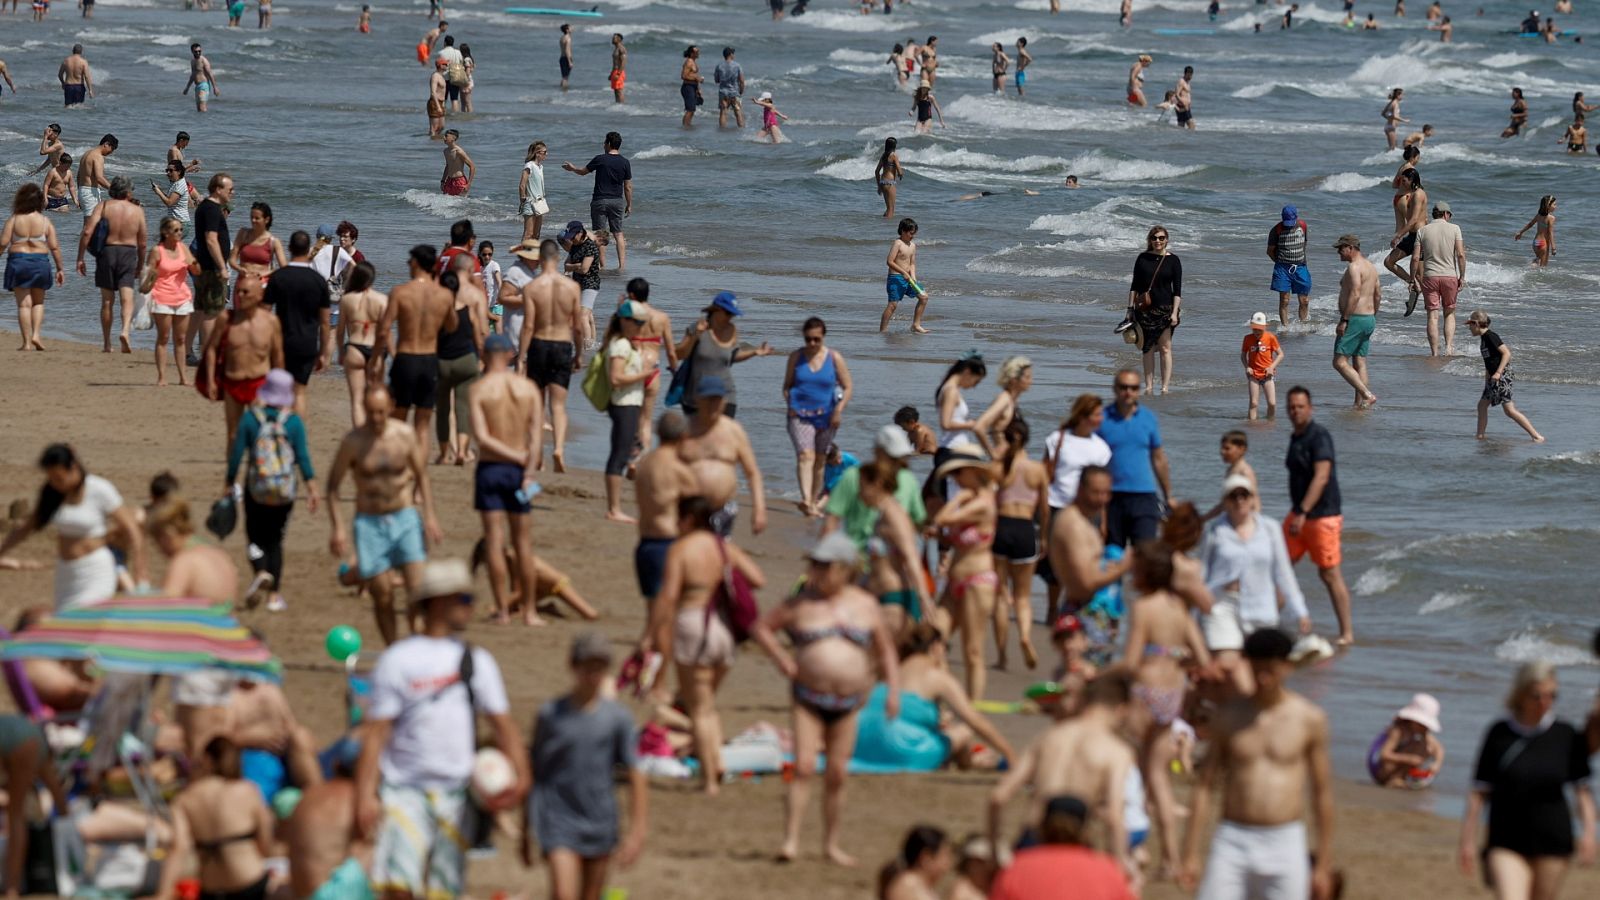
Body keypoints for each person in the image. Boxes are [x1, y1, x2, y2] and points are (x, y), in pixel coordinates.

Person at [355, 559, 530, 900]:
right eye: (464, 599)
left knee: (444, 892)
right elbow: (377, 733)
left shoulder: (477, 660)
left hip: (457, 793)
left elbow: (503, 725)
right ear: (437, 602)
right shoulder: (399, 660)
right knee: (398, 889)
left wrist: (522, 778)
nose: (471, 607)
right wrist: (365, 795)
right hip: (404, 789)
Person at [751, 532, 900, 865]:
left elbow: (886, 650)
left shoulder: (865, 604)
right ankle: (790, 841)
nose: (816, 572)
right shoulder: (800, 603)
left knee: (837, 773)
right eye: (814, 565)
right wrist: (782, 660)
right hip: (808, 697)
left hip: (849, 702)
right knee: (804, 767)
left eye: (824, 566)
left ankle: (831, 845)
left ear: (845, 568)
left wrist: (892, 691)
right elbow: (761, 628)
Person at [1180, 629, 1334, 899]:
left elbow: (1322, 792)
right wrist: (1190, 853)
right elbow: (1204, 786)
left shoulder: (1309, 719)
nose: (1263, 679)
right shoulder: (1229, 717)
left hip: (1285, 839)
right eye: (1257, 670)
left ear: (1287, 666)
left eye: (1270, 671)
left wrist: (1323, 863)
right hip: (1233, 838)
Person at [640, 496, 765, 794]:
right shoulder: (724, 547)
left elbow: (668, 596)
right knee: (707, 705)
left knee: (698, 708)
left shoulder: (681, 549)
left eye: (678, 518)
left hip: (694, 626)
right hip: (724, 631)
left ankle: (709, 781)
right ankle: (717, 763)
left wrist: (649, 636)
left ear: (688, 519)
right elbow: (757, 579)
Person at [523, 633, 649, 900]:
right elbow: (536, 771)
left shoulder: (618, 718)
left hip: (600, 821)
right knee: (563, 894)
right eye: (587, 666)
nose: (593, 674)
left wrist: (637, 831)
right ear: (573, 666)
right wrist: (526, 827)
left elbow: (636, 773)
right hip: (557, 820)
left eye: (600, 667)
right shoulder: (551, 715)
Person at [1459, 661, 1595, 899]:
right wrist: (1467, 840)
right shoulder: (1499, 733)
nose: (1545, 702)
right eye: (1537, 696)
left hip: (1553, 842)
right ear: (1520, 694)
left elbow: (1582, 791)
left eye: (1552, 695)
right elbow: (1479, 792)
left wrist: (1589, 834)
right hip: (1505, 840)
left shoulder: (1565, 734)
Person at [326, 385, 445, 645]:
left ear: (391, 407)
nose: (376, 418)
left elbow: (422, 475)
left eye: (381, 412)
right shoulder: (353, 442)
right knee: (382, 595)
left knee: (417, 591)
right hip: (370, 524)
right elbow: (333, 486)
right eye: (371, 413)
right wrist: (338, 527)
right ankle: (393, 648)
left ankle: (417, 641)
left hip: (404, 517)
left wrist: (430, 516)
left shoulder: (405, 435)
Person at [1124, 541, 1212, 878]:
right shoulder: (1179, 609)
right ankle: (1170, 858)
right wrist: (1173, 658)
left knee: (1134, 770)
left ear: (1145, 574)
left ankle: (1136, 848)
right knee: (1158, 775)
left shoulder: (1143, 607)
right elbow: (1202, 659)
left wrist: (1098, 679)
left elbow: (1131, 661)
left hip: (1145, 691)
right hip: (1172, 694)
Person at [988, 671, 1137, 868]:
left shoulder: (1049, 737)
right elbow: (1115, 818)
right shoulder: (1116, 751)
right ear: (1122, 710)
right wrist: (1120, 865)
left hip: (1032, 840)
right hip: (1073, 845)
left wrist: (995, 853)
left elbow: (998, 797)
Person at [471, 333, 563, 625]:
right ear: (510, 354)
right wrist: (528, 469)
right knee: (523, 543)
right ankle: (530, 611)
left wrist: (514, 457)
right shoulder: (528, 389)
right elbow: (536, 436)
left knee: (495, 541)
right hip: (521, 473)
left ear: (484, 356)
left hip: (491, 468)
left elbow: (482, 438)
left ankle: (502, 610)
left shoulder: (479, 389)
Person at [1199, 473, 1308, 693]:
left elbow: (1283, 573)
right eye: (1233, 496)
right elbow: (1202, 575)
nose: (1239, 500)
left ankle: (1251, 710)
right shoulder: (1215, 531)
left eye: (1244, 495)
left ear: (1252, 499)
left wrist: (1300, 611)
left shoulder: (1270, 528)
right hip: (1222, 605)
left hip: (1261, 606)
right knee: (1229, 667)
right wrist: (1193, 616)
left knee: (1262, 673)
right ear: (1225, 501)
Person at [0, 445, 146, 609]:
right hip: (66, 572)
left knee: (88, 617)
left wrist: (140, 573)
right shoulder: (52, 493)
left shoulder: (99, 489)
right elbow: (25, 528)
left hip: (96, 570)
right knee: (64, 619)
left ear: (73, 468)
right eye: (51, 478)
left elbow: (131, 528)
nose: (55, 483)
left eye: (59, 478)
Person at [855, 623, 1013, 773]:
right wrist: (1010, 754)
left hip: (863, 748)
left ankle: (968, 761)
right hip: (903, 752)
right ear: (935, 647)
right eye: (946, 648)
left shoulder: (890, 672)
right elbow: (975, 721)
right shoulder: (935, 676)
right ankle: (972, 763)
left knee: (940, 730)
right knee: (965, 731)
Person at [227, 369, 319, 612]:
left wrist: (229, 482)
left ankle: (260, 570)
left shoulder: (251, 419)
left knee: (254, 535)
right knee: (276, 540)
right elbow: (302, 457)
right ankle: (274, 597)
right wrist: (311, 486)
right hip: (284, 491)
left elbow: (237, 455)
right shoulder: (294, 422)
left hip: (256, 488)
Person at [370, 244, 459, 461]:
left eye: (409, 262)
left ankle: (397, 466)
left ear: (417, 263)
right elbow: (452, 326)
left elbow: (383, 330)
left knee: (398, 419)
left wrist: (377, 358)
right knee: (422, 425)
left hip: (406, 358)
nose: (408, 265)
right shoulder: (444, 295)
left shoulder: (400, 292)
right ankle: (419, 477)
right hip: (429, 361)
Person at [155, 737, 273, 900]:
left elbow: (179, 848)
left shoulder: (184, 799)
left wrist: (163, 893)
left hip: (212, 889)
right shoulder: (248, 790)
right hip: (249, 880)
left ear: (206, 760)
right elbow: (265, 845)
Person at [1283, 386, 1354, 646]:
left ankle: (1346, 634)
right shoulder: (1296, 437)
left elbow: (1322, 477)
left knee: (1329, 574)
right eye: (1292, 407)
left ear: (1310, 408)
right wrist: (1299, 512)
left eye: (1300, 407)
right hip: (1298, 514)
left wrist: (1303, 511)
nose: (1296, 411)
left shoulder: (1319, 437)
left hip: (1322, 516)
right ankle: (1264, 627)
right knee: (1279, 568)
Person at [930, 450, 1000, 702]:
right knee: (933, 639)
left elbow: (942, 518)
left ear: (974, 472)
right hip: (954, 581)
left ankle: (972, 708)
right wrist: (938, 535)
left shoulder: (982, 503)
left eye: (958, 473)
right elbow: (951, 535)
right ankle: (945, 702)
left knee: (972, 651)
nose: (955, 479)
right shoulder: (970, 501)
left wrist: (958, 499)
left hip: (977, 582)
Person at [1039, 395, 1112, 623]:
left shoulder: (1101, 448)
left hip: (1088, 513)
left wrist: (1103, 520)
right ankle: (1053, 608)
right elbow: (1043, 476)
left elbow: (1102, 487)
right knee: (1055, 564)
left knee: (1085, 562)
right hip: (1058, 506)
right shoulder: (1058, 439)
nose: (1101, 419)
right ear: (1082, 416)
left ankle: (1075, 609)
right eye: (1097, 414)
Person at [1047, 465, 1130, 664]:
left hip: (1090, 612)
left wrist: (1109, 568)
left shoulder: (1083, 522)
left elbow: (1089, 571)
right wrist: (1125, 566)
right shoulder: (1073, 524)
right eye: (1096, 492)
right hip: (1083, 613)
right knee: (1084, 674)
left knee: (1087, 675)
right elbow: (1085, 583)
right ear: (1080, 489)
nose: (1102, 499)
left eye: (1106, 493)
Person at [518, 239, 582, 469]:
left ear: (540, 259)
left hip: (539, 345)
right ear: (557, 258)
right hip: (562, 345)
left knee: (537, 405)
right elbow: (577, 326)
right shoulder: (572, 287)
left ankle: (537, 455)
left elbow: (528, 326)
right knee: (558, 405)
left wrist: (521, 357)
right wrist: (579, 354)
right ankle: (558, 449)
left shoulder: (532, 288)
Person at [203, 278, 284, 459]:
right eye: (238, 291)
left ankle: (258, 469)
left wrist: (279, 389)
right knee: (233, 433)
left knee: (261, 432)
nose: (240, 295)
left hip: (260, 385)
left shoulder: (271, 322)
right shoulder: (227, 319)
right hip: (233, 382)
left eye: (245, 292)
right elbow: (212, 349)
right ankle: (232, 472)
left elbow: (278, 357)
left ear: (259, 295)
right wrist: (210, 380)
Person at [990, 418, 1047, 671]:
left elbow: (988, 502)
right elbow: (1044, 510)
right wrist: (1043, 537)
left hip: (1002, 528)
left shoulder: (998, 467)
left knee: (1001, 596)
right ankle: (1024, 636)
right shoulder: (1037, 469)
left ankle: (1002, 656)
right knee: (1022, 597)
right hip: (1025, 530)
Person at [783, 317, 852, 517]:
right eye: (808, 339)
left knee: (820, 460)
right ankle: (806, 499)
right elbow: (787, 386)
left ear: (823, 337)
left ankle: (813, 502)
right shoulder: (796, 357)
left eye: (816, 339)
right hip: (799, 415)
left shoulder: (834, 358)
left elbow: (848, 387)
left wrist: (838, 410)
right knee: (805, 455)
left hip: (827, 416)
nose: (812, 343)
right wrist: (790, 404)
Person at [263, 230, 333, 418]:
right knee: (299, 391)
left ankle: (277, 426)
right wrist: (323, 352)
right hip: (307, 343)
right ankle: (296, 428)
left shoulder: (279, 277)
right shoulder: (318, 281)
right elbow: (325, 322)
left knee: (278, 388)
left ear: (290, 248)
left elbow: (264, 313)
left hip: (281, 342)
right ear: (308, 248)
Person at [1098, 369, 1169, 549]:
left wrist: (1168, 496)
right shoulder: (1101, 419)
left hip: (1144, 496)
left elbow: (1159, 459)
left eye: (1133, 388)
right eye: (1123, 387)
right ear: (1115, 388)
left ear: (1138, 390)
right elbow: (1092, 462)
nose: (1128, 392)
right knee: (1113, 555)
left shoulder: (1148, 418)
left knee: (1145, 555)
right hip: (1110, 498)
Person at [77, 176, 146, 355]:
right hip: (128, 253)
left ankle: (107, 343)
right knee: (126, 298)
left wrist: (80, 258)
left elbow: (87, 232)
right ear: (128, 192)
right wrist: (140, 265)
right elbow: (143, 243)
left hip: (107, 253)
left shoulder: (104, 206)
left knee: (107, 301)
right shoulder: (137, 210)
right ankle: (125, 331)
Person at [676, 290, 772, 418]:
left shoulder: (732, 330)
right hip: (697, 395)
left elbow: (732, 356)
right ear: (716, 310)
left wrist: (754, 352)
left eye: (733, 314)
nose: (730, 317)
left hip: (726, 394)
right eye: (728, 313)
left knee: (725, 430)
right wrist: (695, 336)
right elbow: (679, 354)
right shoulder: (697, 327)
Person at [434, 258, 488, 465]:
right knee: (463, 405)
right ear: (470, 269)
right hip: (467, 354)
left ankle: (450, 449)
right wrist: (483, 358)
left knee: (444, 408)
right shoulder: (475, 295)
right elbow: (482, 330)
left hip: (443, 356)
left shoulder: (440, 295)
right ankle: (463, 451)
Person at [3, 183, 65, 352]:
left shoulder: (15, 219)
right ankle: (36, 335)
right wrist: (60, 269)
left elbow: (3, 243)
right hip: (40, 262)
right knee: (38, 303)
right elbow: (54, 247)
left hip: (18, 261)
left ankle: (26, 343)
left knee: (24, 305)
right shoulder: (45, 221)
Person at [1468, 309, 1544, 442]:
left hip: (1502, 376)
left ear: (1477, 324)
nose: (1469, 328)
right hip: (1493, 378)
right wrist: (1487, 381)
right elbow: (1489, 362)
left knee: (1509, 410)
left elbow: (1507, 353)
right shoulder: (1484, 339)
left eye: (1470, 324)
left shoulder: (1491, 336)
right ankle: (1480, 436)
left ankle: (1536, 436)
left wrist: (1498, 373)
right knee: (1482, 406)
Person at [563, 132, 632, 272]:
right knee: (618, 233)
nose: (603, 145)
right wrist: (629, 204)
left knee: (600, 234)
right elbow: (628, 186)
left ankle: (602, 266)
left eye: (604, 142)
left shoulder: (600, 159)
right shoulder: (625, 162)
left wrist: (572, 168)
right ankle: (622, 266)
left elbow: (583, 172)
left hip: (600, 200)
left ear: (609, 144)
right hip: (617, 201)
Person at [1126, 226, 1183, 394]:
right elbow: (1134, 286)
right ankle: (1149, 387)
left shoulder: (1174, 260)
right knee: (1147, 349)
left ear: (1167, 240)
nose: (1158, 241)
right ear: (1150, 240)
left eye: (1161, 238)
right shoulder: (1142, 258)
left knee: (1165, 348)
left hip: (1165, 310)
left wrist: (1174, 313)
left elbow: (1177, 291)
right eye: (1154, 238)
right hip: (1144, 311)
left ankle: (1165, 387)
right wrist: (1129, 309)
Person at [145, 216, 199, 386]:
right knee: (164, 337)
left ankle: (183, 377)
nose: (180, 233)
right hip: (161, 297)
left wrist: (195, 262)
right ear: (165, 232)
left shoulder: (183, 248)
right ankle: (162, 376)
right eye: (176, 230)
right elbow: (148, 276)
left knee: (181, 339)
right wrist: (147, 292)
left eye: (181, 230)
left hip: (182, 297)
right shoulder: (157, 251)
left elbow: (196, 271)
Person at [1331, 234, 1382, 408]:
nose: (1338, 252)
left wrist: (1344, 320)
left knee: (1339, 362)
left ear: (1350, 248)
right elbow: (1378, 294)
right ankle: (1359, 404)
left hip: (1355, 319)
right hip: (1368, 318)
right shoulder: (1371, 267)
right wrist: (1373, 315)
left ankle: (1367, 395)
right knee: (1359, 362)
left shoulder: (1354, 267)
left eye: (1341, 248)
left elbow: (1355, 293)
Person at [190, 172, 235, 365]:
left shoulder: (208, 208)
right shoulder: (211, 210)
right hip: (211, 268)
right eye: (230, 189)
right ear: (218, 189)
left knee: (200, 309)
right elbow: (210, 239)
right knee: (211, 312)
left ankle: (186, 348)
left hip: (205, 266)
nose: (232, 192)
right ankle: (208, 355)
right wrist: (222, 267)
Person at [1412, 200, 1466, 356]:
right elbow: (1460, 255)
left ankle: (1434, 353)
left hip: (1430, 277)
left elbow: (1415, 258)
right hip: (1449, 276)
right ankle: (1448, 348)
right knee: (1449, 312)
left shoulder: (1422, 230)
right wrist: (1462, 276)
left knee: (1432, 316)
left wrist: (1412, 279)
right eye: (1450, 215)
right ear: (1446, 214)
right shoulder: (1455, 229)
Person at [338, 262, 388, 427]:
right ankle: (374, 431)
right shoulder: (382, 300)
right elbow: (385, 331)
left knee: (357, 399)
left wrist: (341, 352)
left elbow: (340, 332)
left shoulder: (347, 299)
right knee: (376, 395)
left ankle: (360, 433)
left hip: (355, 348)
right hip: (376, 349)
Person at [1372, 693, 1445, 788]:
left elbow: (1438, 748)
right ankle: (1395, 780)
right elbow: (1384, 754)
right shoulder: (1398, 731)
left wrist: (1437, 764)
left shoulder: (1422, 733)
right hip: (1384, 771)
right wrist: (1408, 759)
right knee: (1416, 746)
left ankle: (1404, 778)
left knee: (1428, 746)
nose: (1425, 728)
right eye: (1422, 725)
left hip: (1403, 769)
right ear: (1413, 720)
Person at [972, 355, 1031, 460]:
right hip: (1004, 461)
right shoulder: (1004, 400)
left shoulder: (1012, 401)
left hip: (1014, 461)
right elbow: (979, 427)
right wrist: (993, 454)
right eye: (1027, 377)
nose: (1031, 381)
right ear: (1014, 379)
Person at [228, 201, 286, 307]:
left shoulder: (273, 241)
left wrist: (267, 273)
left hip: (262, 283)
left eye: (257, 218)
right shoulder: (243, 234)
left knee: (260, 316)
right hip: (243, 281)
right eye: (251, 217)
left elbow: (284, 268)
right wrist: (240, 269)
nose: (253, 221)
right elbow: (232, 260)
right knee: (239, 315)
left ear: (266, 219)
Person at [881, 218, 930, 334]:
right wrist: (903, 272)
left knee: (924, 297)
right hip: (896, 278)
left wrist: (913, 276)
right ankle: (883, 331)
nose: (912, 236)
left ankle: (916, 325)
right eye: (910, 233)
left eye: (914, 233)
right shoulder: (898, 243)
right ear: (903, 231)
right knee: (893, 305)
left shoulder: (913, 245)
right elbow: (889, 261)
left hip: (909, 279)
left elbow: (912, 263)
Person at [558, 220, 601, 345]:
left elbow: (584, 269)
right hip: (577, 284)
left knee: (582, 316)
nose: (571, 239)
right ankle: (593, 343)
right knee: (588, 316)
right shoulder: (574, 247)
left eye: (573, 236)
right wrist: (577, 265)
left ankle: (586, 346)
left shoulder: (590, 246)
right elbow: (566, 265)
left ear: (580, 233)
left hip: (590, 284)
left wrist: (574, 266)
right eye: (570, 237)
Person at [879, 826, 951, 900]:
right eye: (945, 855)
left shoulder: (916, 885)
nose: (948, 863)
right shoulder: (909, 885)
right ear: (926, 858)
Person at [1267, 205, 1310, 325]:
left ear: (1296, 217)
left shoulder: (1303, 226)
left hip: (1300, 267)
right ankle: (1285, 328)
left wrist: (1298, 257)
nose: (1288, 224)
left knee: (1304, 300)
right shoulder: (1276, 230)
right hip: (1282, 268)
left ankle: (1303, 326)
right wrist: (1280, 262)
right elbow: (1270, 251)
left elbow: (1304, 243)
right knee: (1284, 300)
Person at [1240, 312, 1283, 420]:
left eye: (1260, 329)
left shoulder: (1270, 337)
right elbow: (1243, 355)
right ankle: (1252, 423)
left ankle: (1270, 422)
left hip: (1267, 375)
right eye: (1255, 329)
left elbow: (1280, 354)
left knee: (1272, 403)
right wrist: (1247, 367)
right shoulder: (1247, 339)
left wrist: (1271, 367)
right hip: (1253, 375)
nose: (1257, 332)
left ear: (1265, 327)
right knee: (1254, 403)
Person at [150, 159, 200, 236]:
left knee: (162, 241)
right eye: (167, 170)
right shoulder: (175, 182)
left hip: (181, 224)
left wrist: (159, 192)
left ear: (178, 172)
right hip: (176, 223)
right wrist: (160, 191)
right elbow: (170, 200)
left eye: (170, 171)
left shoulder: (179, 185)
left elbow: (169, 203)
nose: (168, 173)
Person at [1513, 194, 1556, 267]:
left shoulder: (1539, 215)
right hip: (1543, 243)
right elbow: (1550, 232)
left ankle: (1532, 265)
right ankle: (1530, 268)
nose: (1556, 206)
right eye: (1554, 204)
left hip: (1536, 242)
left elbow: (1530, 224)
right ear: (1548, 206)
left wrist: (1520, 232)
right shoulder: (1551, 218)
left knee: (1538, 259)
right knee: (1543, 266)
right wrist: (1553, 247)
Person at [518, 141, 548, 242]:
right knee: (528, 234)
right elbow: (522, 184)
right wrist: (523, 199)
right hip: (530, 202)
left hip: (539, 202)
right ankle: (522, 252)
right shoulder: (529, 165)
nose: (546, 154)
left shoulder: (540, 167)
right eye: (544, 152)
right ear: (537, 153)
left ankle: (533, 252)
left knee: (536, 234)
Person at [184, 43, 218, 113]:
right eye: (196, 51)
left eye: (199, 51)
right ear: (192, 51)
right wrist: (187, 87)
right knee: (199, 110)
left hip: (204, 86)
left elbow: (210, 74)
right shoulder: (193, 61)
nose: (198, 53)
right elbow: (193, 75)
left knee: (202, 108)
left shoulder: (203, 61)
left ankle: (207, 120)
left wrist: (215, 87)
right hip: (197, 87)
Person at [439, 129, 474, 196]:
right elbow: (448, 166)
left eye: (446, 136)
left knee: (460, 201)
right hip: (449, 181)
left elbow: (472, 166)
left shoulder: (458, 151)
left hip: (459, 181)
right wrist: (443, 181)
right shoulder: (446, 151)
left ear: (453, 138)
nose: (444, 138)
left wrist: (468, 184)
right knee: (446, 201)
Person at [874, 138, 903, 218]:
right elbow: (899, 171)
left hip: (883, 182)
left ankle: (883, 223)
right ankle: (887, 225)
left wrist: (879, 186)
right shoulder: (894, 155)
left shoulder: (883, 156)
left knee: (888, 208)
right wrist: (901, 174)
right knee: (891, 209)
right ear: (894, 146)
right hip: (890, 182)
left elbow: (876, 171)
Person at [679, 45, 704, 127]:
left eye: (698, 51)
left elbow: (694, 75)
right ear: (691, 53)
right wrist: (697, 78)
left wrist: (698, 89)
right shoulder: (689, 62)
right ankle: (685, 127)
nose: (698, 53)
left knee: (692, 109)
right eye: (696, 52)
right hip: (687, 87)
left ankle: (688, 125)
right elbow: (683, 76)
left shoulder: (693, 62)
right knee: (690, 109)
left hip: (693, 87)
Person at [427, 60, 448, 138]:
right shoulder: (435, 76)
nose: (447, 65)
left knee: (441, 126)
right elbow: (433, 92)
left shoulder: (441, 76)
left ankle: (435, 139)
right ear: (440, 65)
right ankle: (432, 141)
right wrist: (438, 106)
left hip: (441, 102)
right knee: (434, 127)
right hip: (434, 102)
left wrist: (443, 104)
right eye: (445, 64)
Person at [609, 33, 628, 103]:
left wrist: (618, 73)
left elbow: (624, 62)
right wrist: (611, 74)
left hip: (619, 72)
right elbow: (614, 63)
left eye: (614, 38)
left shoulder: (621, 49)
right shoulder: (616, 49)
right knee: (616, 90)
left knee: (619, 90)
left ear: (619, 39)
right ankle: (618, 105)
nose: (612, 39)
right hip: (615, 71)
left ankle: (622, 105)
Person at [559, 23, 573, 89]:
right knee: (565, 78)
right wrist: (569, 61)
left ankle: (562, 90)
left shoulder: (562, 38)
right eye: (570, 28)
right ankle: (564, 91)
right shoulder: (568, 39)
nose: (572, 29)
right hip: (566, 58)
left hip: (562, 58)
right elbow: (567, 51)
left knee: (564, 77)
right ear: (567, 30)